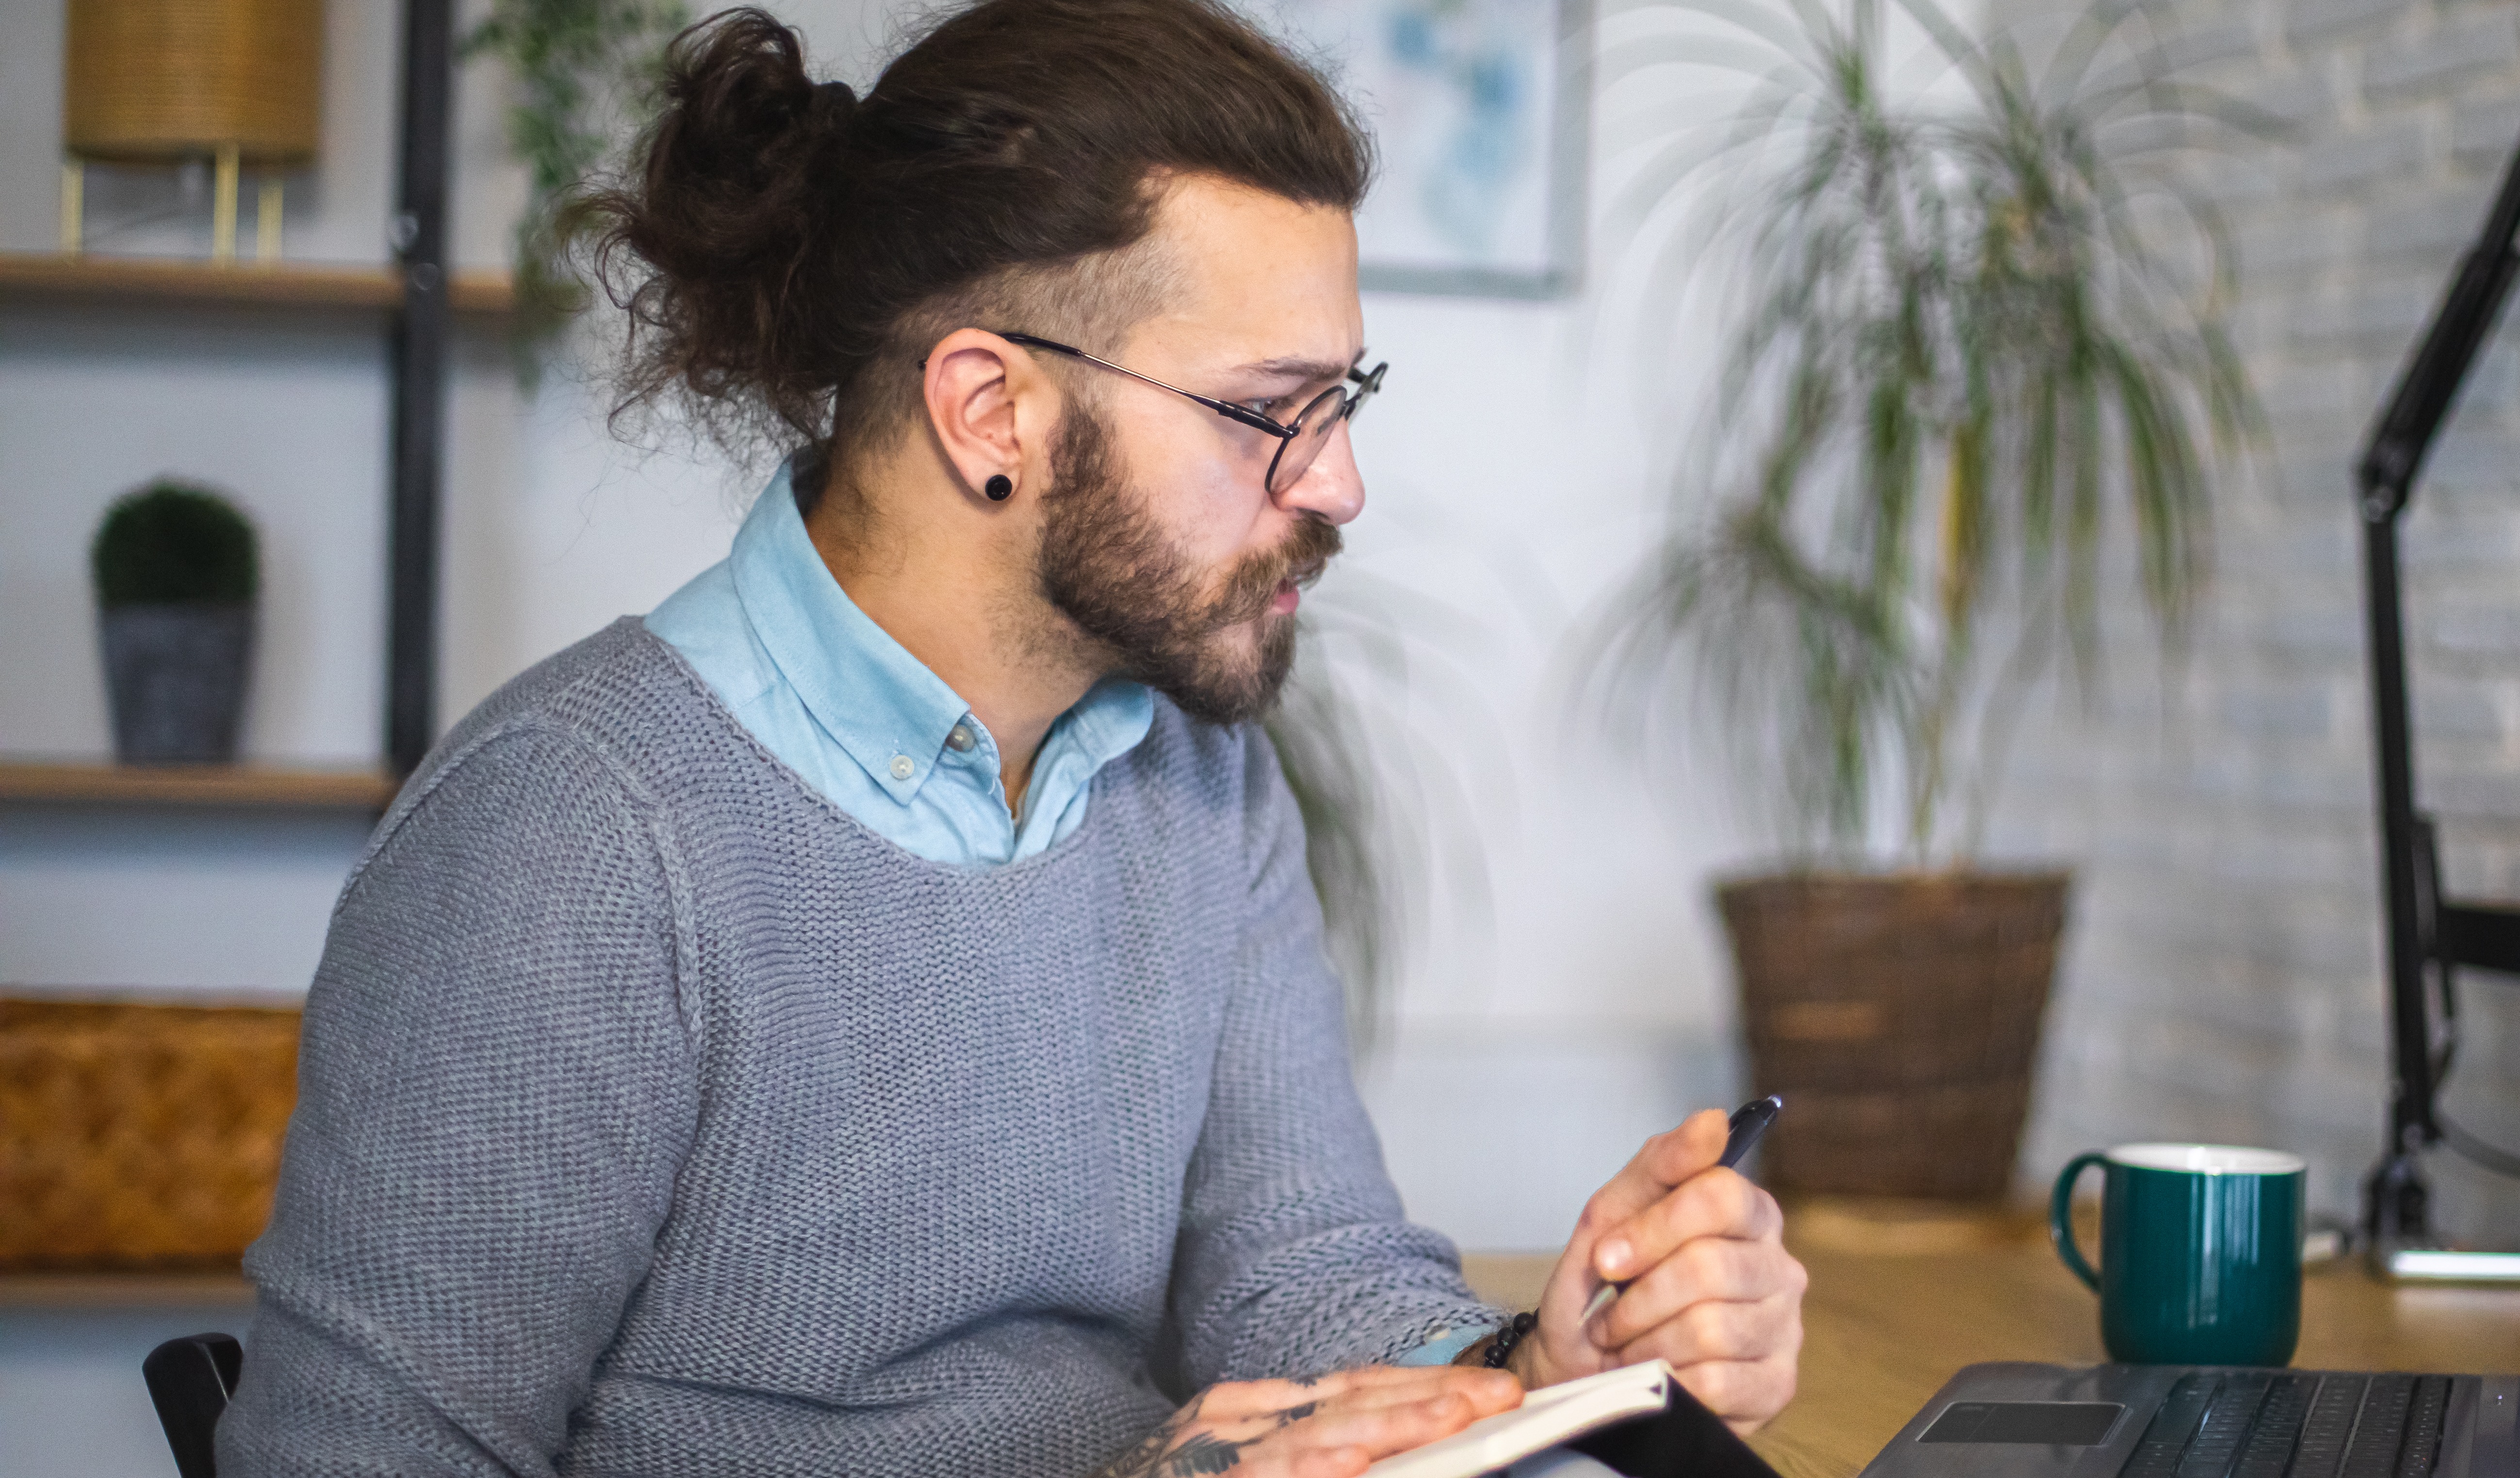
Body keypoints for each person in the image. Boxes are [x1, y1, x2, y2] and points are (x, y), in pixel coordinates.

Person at [213, 3, 1807, 1474]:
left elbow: (1299, 1277)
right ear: (990, 414)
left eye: (1347, 401)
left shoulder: (1192, 775)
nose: (1337, 486)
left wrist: (1544, 1359)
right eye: (1273, 410)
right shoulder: (567, 841)